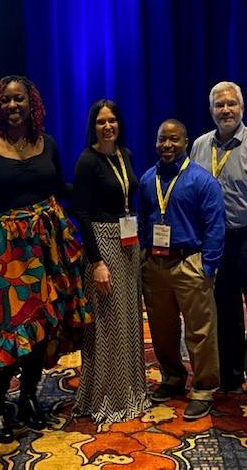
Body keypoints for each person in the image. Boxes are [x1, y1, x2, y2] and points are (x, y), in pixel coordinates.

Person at [0, 75, 90, 443]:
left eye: (20, 100)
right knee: (6, 328)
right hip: (4, 250)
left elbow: (58, 187)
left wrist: (98, 191)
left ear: (33, 105)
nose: (13, 106)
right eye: (6, 101)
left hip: (48, 244)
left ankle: (30, 396)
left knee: (43, 323)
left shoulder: (45, 143)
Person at [190, 81, 247, 405]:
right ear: (212, 110)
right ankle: (229, 375)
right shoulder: (200, 146)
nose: (226, 110)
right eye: (220, 105)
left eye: (231, 104)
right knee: (224, 312)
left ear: (242, 108)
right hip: (214, 242)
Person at [138, 119, 225, 420]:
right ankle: (173, 378)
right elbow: (140, 221)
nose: (167, 145)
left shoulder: (203, 181)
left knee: (200, 331)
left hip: (191, 262)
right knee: (162, 330)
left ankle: (203, 389)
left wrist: (208, 266)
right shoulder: (147, 179)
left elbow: (215, 226)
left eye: (174, 139)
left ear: (186, 142)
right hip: (155, 263)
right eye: (162, 139)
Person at [72, 99, 150, 424]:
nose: (108, 127)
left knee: (129, 317)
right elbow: (82, 213)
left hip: (127, 244)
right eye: (102, 122)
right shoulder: (87, 161)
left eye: (112, 121)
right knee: (108, 322)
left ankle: (131, 389)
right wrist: (97, 262)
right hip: (103, 246)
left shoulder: (125, 155)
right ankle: (108, 396)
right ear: (94, 125)